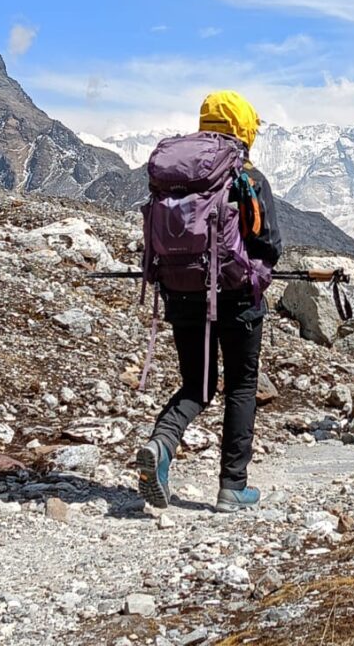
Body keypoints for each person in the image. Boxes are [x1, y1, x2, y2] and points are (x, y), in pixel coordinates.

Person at [136, 91, 281, 512]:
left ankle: (161, 445)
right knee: (240, 385)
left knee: (197, 385)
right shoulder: (246, 177)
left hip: (181, 290)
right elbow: (269, 243)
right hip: (236, 297)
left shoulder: (176, 174)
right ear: (243, 126)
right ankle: (232, 486)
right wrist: (257, 274)